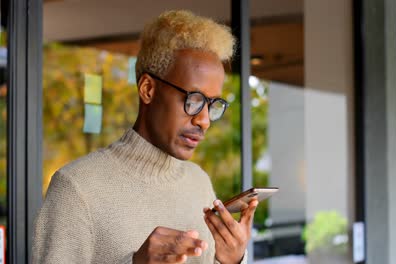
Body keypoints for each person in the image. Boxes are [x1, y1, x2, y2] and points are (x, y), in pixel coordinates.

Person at [32, 10, 257, 264]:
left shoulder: (199, 182)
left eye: (212, 104)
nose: (203, 120)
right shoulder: (76, 189)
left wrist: (231, 260)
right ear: (148, 89)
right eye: (194, 100)